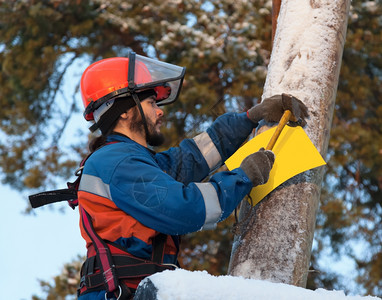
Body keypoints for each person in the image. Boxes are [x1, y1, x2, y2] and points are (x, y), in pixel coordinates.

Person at [76, 52, 308, 299]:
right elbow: (186, 209)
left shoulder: (130, 160)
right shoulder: (119, 163)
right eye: (151, 103)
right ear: (124, 110)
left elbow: (192, 158)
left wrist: (251, 117)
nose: (160, 111)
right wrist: (243, 176)